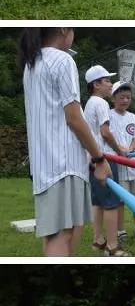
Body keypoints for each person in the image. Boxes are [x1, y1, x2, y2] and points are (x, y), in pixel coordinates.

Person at [19, 28, 112, 256]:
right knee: (62, 234)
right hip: (63, 165)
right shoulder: (63, 60)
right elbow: (73, 118)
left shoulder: (32, 63)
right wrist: (99, 157)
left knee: (61, 234)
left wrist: (87, 154)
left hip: (48, 165)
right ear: (63, 29)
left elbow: (58, 119)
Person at [83, 64, 128, 257]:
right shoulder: (101, 103)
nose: (111, 84)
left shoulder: (89, 103)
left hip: (91, 159)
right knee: (111, 202)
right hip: (104, 159)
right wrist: (120, 150)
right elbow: (105, 132)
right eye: (107, 81)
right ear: (96, 84)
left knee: (98, 201)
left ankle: (98, 240)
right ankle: (112, 246)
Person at [108, 81, 135, 243]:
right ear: (113, 98)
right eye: (121, 97)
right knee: (121, 199)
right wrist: (120, 151)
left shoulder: (133, 117)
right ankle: (121, 231)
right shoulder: (108, 115)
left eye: (128, 98)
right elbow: (107, 136)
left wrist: (130, 151)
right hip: (118, 163)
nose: (125, 100)